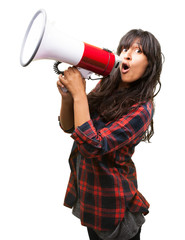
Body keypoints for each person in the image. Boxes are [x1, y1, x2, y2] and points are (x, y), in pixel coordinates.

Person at [57, 29, 163, 240]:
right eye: (125, 48)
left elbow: (91, 146)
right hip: (91, 199)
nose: (127, 54)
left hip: (114, 207)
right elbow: (72, 128)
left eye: (138, 50)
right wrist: (68, 98)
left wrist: (79, 93)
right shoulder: (107, 84)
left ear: (149, 65)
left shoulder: (142, 109)